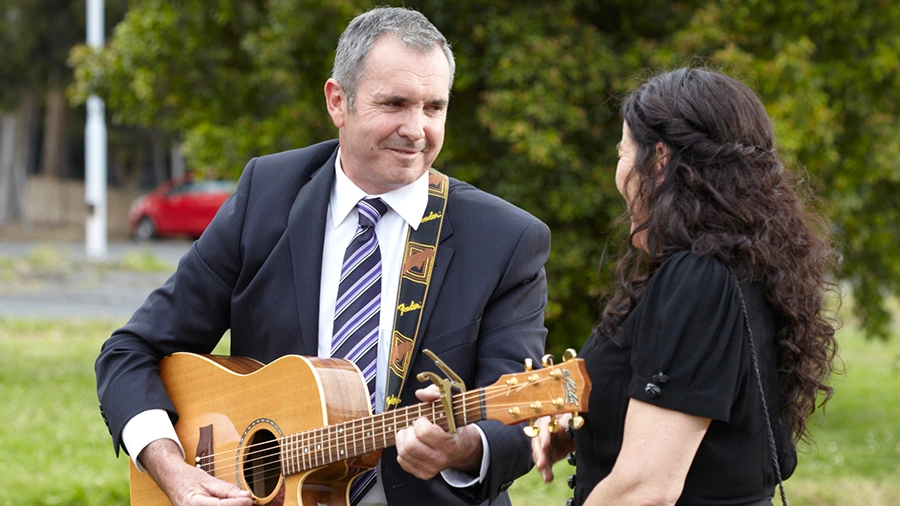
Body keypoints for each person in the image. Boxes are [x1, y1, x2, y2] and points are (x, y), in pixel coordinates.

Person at [96, 7, 550, 506]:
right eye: (395, 103)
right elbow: (130, 353)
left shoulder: (506, 239)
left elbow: (519, 419)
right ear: (338, 101)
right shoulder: (265, 197)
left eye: (434, 108)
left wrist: (463, 447)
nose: (416, 129)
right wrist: (173, 471)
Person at [531, 68, 839, 505]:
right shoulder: (747, 269)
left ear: (657, 159)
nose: (618, 174)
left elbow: (647, 488)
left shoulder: (699, 278)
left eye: (623, 153)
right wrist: (583, 431)